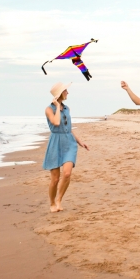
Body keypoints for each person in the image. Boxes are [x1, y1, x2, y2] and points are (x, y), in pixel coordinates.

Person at [43, 82, 89, 212]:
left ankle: (59, 200)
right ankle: (52, 202)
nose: (67, 93)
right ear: (59, 94)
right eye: (65, 91)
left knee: (67, 174)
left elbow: (68, 127)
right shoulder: (49, 109)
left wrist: (80, 141)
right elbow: (56, 122)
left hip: (69, 142)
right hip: (55, 142)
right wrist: (57, 106)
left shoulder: (67, 108)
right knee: (55, 178)